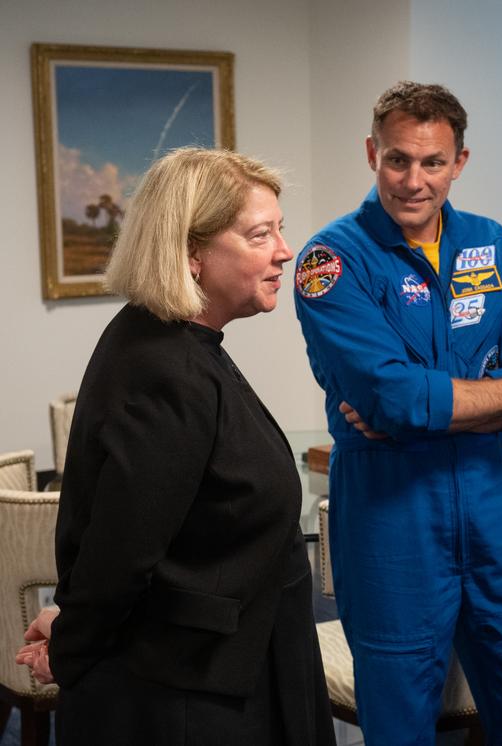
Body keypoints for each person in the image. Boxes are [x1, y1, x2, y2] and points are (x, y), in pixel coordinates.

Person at [14, 148, 335, 746]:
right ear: (191, 254)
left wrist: (73, 619)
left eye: (280, 230)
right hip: (189, 696)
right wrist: (75, 643)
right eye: (260, 235)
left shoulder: (178, 344)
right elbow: (120, 549)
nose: (284, 252)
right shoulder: (168, 368)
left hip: (220, 664)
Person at [293, 81, 502, 745]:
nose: (414, 181)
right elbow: (397, 399)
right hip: (391, 516)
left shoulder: (493, 245)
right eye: (398, 160)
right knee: (400, 721)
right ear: (372, 153)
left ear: (461, 161)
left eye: (433, 163)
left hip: (492, 503)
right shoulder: (331, 261)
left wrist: (430, 405)